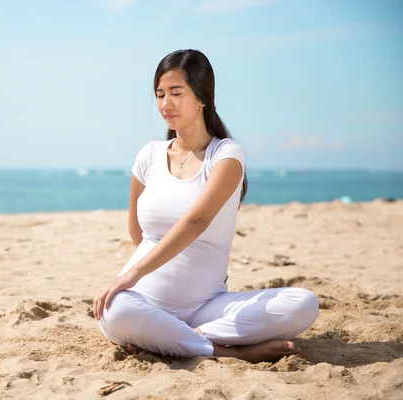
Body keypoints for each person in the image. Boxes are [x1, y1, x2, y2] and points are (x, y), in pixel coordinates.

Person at [93, 49, 319, 363]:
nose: (165, 104)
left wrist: (131, 275)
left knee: (303, 304)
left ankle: (172, 338)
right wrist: (133, 282)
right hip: (144, 303)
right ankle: (225, 350)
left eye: (176, 92)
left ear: (202, 96)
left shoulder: (226, 155)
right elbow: (137, 233)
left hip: (205, 308)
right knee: (115, 309)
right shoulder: (149, 155)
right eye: (160, 94)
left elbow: (196, 221)